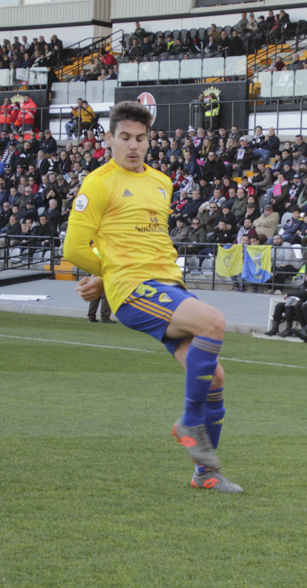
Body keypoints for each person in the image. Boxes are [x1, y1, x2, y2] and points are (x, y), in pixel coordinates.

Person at [63, 101, 242, 493]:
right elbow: (74, 249)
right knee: (214, 321)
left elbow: (142, 241)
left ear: (149, 140)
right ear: (109, 138)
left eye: (140, 139)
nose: (133, 146)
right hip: (134, 290)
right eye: (124, 137)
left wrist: (107, 273)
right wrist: (110, 276)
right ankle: (188, 421)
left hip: (167, 286)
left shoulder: (162, 182)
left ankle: (205, 474)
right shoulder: (97, 182)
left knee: (215, 377)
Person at [264, 266, 307, 336]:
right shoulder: (302, 286)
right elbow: (299, 294)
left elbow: (304, 294)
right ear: (305, 277)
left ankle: (291, 329)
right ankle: (275, 328)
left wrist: (289, 294)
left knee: (294, 305)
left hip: (306, 308)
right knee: (280, 305)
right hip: (297, 307)